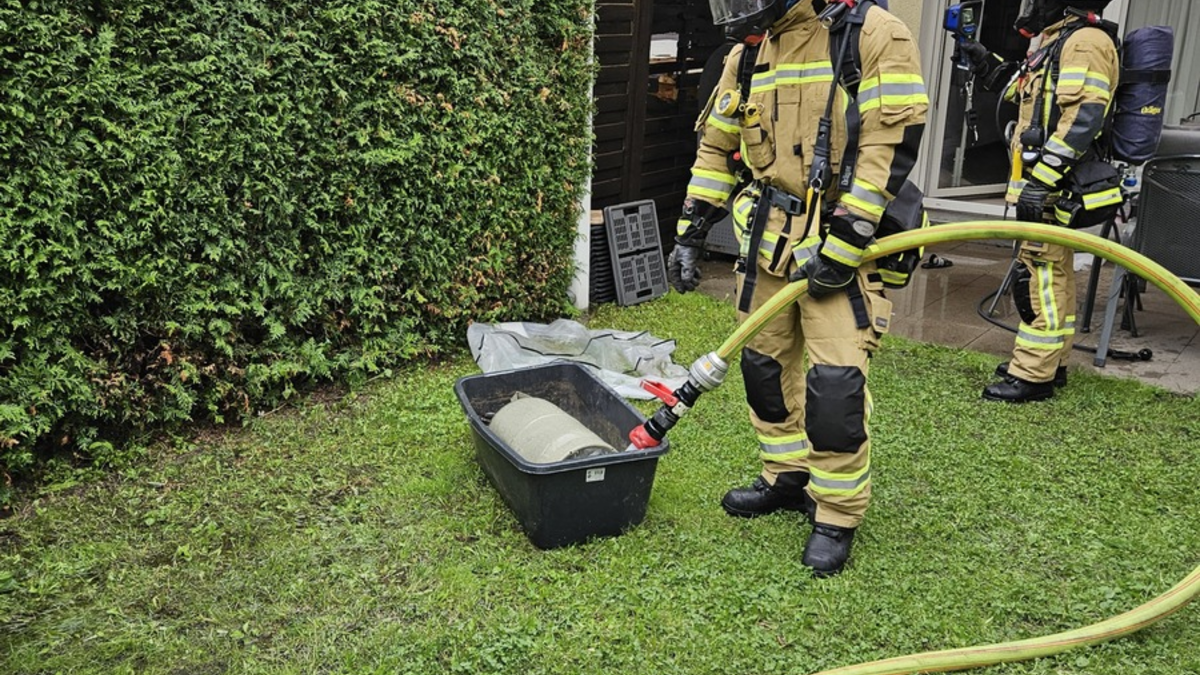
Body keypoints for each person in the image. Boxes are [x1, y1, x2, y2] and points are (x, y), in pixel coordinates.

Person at [666, 0, 926, 577]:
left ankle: (835, 514)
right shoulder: (749, 51)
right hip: (767, 244)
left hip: (841, 246)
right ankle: (784, 476)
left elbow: (889, 147)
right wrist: (691, 226)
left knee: (835, 386)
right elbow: (716, 145)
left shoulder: (875, 35)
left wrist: (849, 237)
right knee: (762, 367)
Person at [964, 0, 1121, 403]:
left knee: (1041, 279)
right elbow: (1024, 96)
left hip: (1053, 188)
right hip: (1043, 186)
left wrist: (1041, 182)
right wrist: (985, 62)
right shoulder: (1055, 42)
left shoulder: (1084, 42)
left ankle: (1033, 374)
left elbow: (1084, 119)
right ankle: (1053, 360)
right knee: (1052, 273)